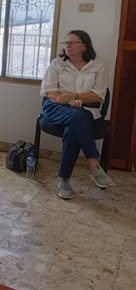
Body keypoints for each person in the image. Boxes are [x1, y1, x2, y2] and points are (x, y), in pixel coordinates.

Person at [40, 30, 114, 199]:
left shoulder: (97, 66)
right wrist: (67, 101)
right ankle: (93, 163)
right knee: (78, 117)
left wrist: (74, 97)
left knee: (74, 125)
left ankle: (64, 179)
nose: (68, 45)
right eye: (66, 43)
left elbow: (99, 95)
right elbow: (50, 91)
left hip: (86, 110)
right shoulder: (57, 64)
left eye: (72, 42)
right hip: (55, 106)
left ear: (84, 46)